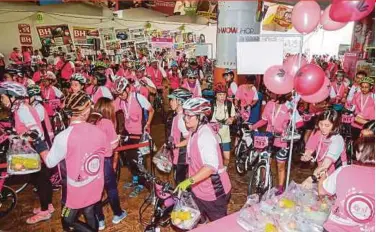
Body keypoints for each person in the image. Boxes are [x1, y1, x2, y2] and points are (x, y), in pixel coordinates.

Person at [32, 90, 110, 231]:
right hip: (95, 184)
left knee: (66, 219)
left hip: (74, 191)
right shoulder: (99, 131)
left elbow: (49, 162)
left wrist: (40, 144)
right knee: (89, 212)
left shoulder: (63, 137)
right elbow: (108, 152)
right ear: (86, 111)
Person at [0, 81, 54, 224]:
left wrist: (16, 136)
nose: (2, 100)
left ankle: (45, 212)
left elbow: (36, 133)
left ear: (12, 96)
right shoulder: (19, 108)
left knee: (40, 179)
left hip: (36, 148)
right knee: (38, 178)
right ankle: (48, 205)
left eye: (3, 97)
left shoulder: (22, 109)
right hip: (34, 148)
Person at [175, 97, 231, 222]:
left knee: (219, 226)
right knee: (197, 222)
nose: (186, 119)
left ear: (200, 117)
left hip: (213, 193)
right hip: (198, 189)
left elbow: (210, 167)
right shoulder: (195, 131)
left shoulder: (205, 136)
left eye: (190, 116)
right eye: (185, 115)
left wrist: (188, 181)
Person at [317, 121, 375, 232]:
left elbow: (322, 191)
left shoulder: (344, 170)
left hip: (335, 228)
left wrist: (323, 174)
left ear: (358, 153)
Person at [250, 93, 303, 195]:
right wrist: (252, 127)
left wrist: (291, 127)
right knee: (265, 160)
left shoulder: (289, 105)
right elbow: (264, 120)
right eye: (271, 91)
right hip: (269, 137)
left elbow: (299, 122)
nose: (273, 94)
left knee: (280, 165)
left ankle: (280, 187)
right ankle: (262, 182)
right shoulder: (269, 104)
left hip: (282, 140)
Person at [88, 98, 127, 230]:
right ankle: (118, 214)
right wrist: (117, 139)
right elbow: (113, 143)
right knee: (111, 188)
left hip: (90, 162)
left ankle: (100, 220)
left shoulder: (89, 121)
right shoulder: (106, 122)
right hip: (104, 160)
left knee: (96, 192)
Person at [113, 77, 154, 198]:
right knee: (129, 160)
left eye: (121, 93)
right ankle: (135, 181)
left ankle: (142, 184)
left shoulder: (138, 97)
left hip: (139, 134)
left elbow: (151, 110)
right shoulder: (120, 100)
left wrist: (148, 124)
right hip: (127, 133)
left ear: (127, 88)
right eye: (118, 94)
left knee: (138, 162)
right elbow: (110, 108)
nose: (120, 96)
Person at [301, 110, 348, 187]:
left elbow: (326, 164)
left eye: (327, 125)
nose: (323, 128)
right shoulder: (317, 132)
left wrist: (312, 178)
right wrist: (307, 155)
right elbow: (310, 147)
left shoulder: (337, 139)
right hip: (322, 169)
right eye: (321, 124)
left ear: (335, 125)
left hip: (336, 171)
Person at [166, 88, 192, 184]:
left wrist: (175, 146)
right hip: (178, 155)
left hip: (183, 157)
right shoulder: (177, 116)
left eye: (172, 100)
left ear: (180, 102)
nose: (170, 102)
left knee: (181, 183)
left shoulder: (182, 119)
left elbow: (190, 139)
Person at [210, 83, 235, 167]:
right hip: (213, 135)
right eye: (220, 94)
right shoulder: (211, 105)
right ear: (215, 95)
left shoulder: (229, 104)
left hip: (225, 136)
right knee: (214, 157)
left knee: (227, 158)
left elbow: (233, 116)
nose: (222, 97)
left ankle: (224, 172)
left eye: (224, 94)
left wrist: (231, 119)